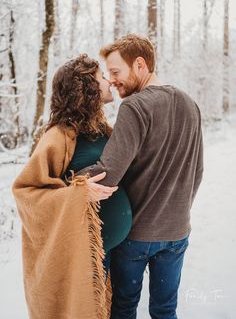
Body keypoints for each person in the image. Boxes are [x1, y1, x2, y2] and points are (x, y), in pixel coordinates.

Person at [77, 34, 204, 319]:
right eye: (108, 74)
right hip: (177, 234)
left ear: (139, 65)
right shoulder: (190, 103)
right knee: (165, 310)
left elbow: (107, 174)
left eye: (116, 72)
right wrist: (177, 212)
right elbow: (197, 170)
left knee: (122, 309)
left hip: (136, 236)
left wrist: (67, 180)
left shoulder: (134, 107)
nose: (112, 80)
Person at [12, 54, 132, 319]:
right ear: (86, 89)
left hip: (116, 253)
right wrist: (78, 194)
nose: (109, 82)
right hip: (83, 257)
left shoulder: (103, 130)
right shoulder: (58, 136)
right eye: (102, 78)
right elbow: (26, 193)